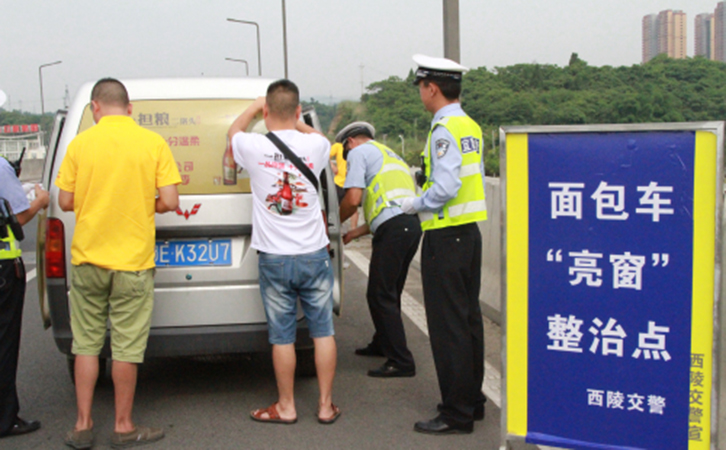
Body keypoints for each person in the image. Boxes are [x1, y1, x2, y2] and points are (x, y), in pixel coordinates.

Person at [56, 78, 181, 449]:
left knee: (86, 344)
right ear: (129, 108)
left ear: (95, 107)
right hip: (132, 263)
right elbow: (170, 201)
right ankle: (123, 426)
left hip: (88, 260)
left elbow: (65, 201)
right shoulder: (152, 143)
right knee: (126, 348)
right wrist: (145, 205)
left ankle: (82, 425)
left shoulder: (80, 144)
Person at [227, 79, 340, 425]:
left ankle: (287, 406)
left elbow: (233, 132)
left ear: (265, 112)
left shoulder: (252, 145)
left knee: (282, 337)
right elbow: (321, 138)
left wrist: (253, 108)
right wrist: (298, 121)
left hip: (274, 258)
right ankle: (325, 406)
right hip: (314, 254)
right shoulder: (315, 146)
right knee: (323, 332)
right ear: (297, 110)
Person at [399, 55, 488, 435]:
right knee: (468, 321)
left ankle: (456, 413)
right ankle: (472, 400)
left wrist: (415, 203)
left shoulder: (443, 129)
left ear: (431, 88)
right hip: (468, 234)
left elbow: (447, 186)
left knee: (448, 326)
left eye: (421, 87)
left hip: (446, 235)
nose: (421, 94)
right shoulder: (470, 125)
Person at [335, 121, 421, 378]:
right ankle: (382, 342)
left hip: (395, 230)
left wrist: (331, 223)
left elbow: (353, 199)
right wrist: (353, 233)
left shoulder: (359, 152)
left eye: (345, 154)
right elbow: (386, 211)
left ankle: (401, 360)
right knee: (390, 292)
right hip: (408, 227)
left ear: (350, 143)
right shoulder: (390, 155)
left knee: (379, 294)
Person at [0, 161, 49, 440]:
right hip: (3, 270)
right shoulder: (0, 168)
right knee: (4, 344)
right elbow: (18, 217)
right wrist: (40, 200)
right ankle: (4, 419)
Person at [330, 142, 358, 229]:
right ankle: (336, 227)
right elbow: (325, 156)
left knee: (353, 208)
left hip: (353, 182)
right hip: (339, 182)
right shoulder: (338, 146)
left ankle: (353, 229)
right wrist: (332, 166)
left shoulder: (358, 148)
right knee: (335, 206)